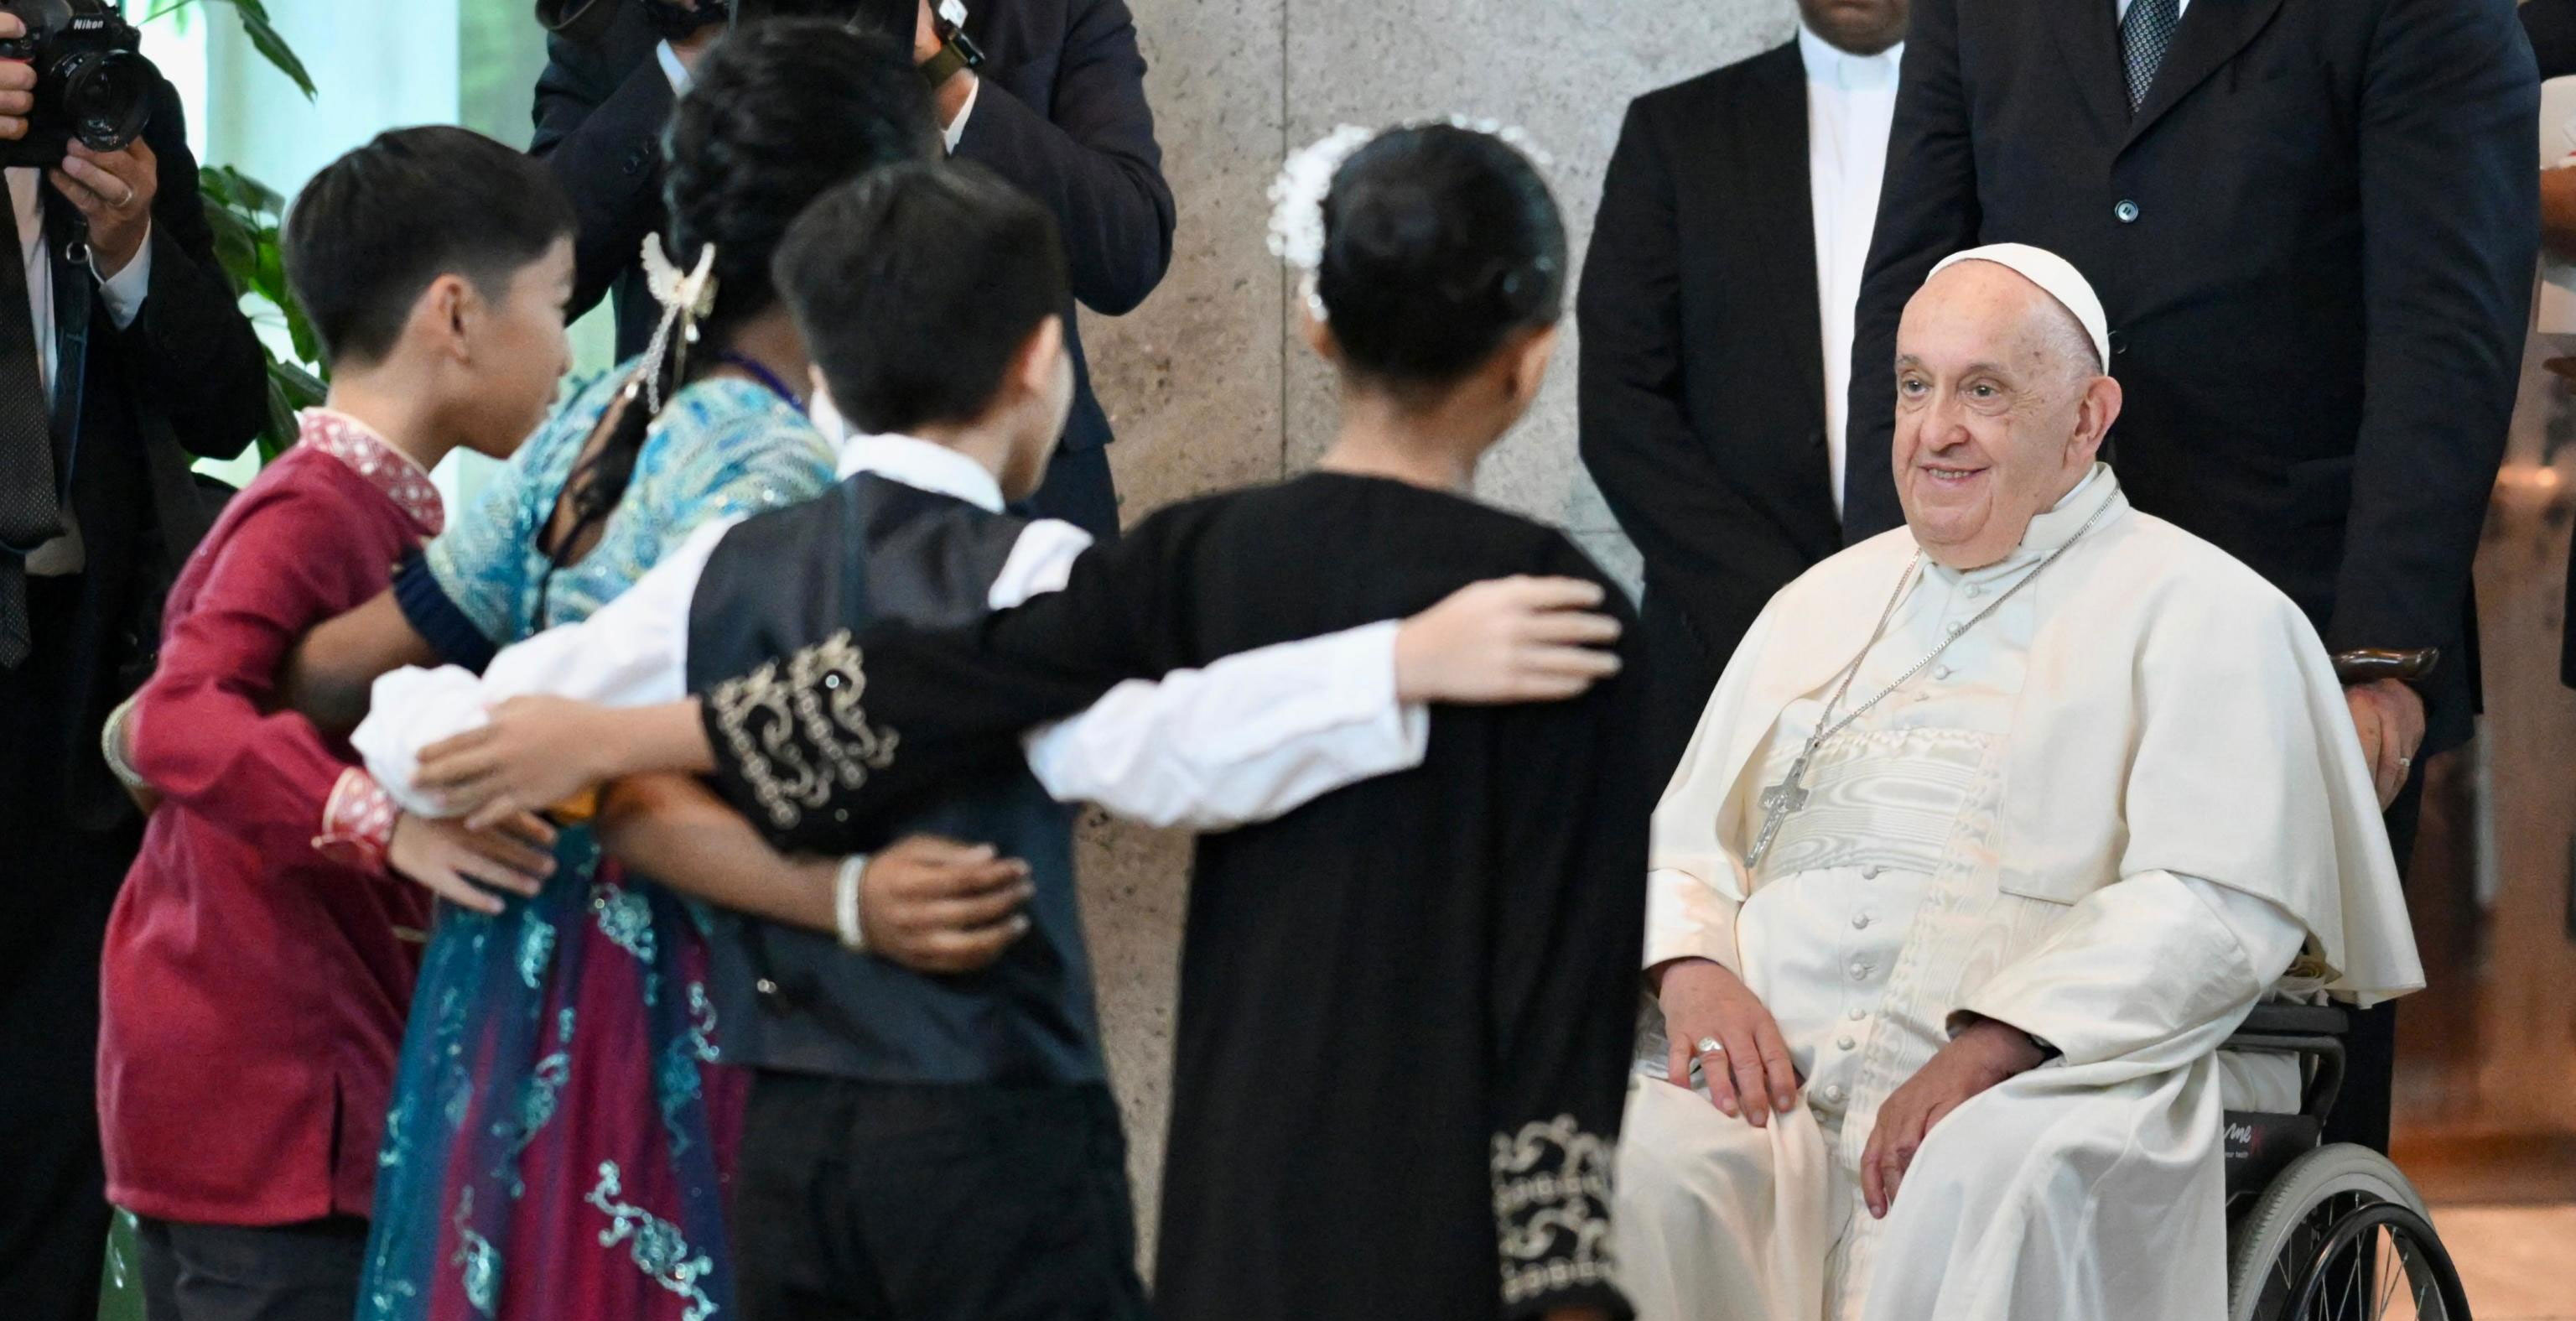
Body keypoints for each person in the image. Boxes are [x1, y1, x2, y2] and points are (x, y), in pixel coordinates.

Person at [404, 122, 1651, 1321]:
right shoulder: (1559, 603)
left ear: (1317, 324)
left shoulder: (1190, 557)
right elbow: (1555, 974)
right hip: (1196, 1174)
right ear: (1535, 352)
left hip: (1105, 1171)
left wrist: (601, 744)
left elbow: (957, 681)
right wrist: (1564, 1276)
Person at [1618, 245, 2422, 1321]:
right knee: (1630, 1162)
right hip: (1778, 1085)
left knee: (1986, 1171)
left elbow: (2220, 901)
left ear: (2088, 418)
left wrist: (1996, 1046)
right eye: (1914, 386)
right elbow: (1685, 843)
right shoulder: (1819, 601)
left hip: (2066, 1074)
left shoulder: (2212, 611)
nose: (1936, 429)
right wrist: (1692, 974)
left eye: (1984, 391)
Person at [262, 25, 927, 1321]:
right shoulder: (782, 476)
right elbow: (639, 791)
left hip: (503, 976)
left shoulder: (607, 409)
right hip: (668, 1000)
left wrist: (223, 664)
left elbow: (351, 657)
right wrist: (854, 897)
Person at [1841, 0, 2537, 1153]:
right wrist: (1885, 586)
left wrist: (2385, 656)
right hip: (2016, 600)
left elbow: (2445, 331)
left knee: (2269, 1101)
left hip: (2290, 626)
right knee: (1988, 1052)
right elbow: (1912, 289)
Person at [91, 127, 575, 1321]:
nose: (568, 355)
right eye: (559, 307)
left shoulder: (382, 519)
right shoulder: (309, 512)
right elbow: (174, 719)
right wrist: (384, 825)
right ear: (455, 316)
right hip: (271, 1116)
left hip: (306, 1104)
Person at [0, 17, 270, 1318]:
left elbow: (227, 401)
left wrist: (127, 247)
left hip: (73, 673)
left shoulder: (113, 101)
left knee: (57, 1096)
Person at [533, 0, 1171, 537]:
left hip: (1000, 485)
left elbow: (1128, 251)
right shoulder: (631, 16)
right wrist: (691, 54)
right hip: (711, 489)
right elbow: (533, 269)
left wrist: (942, 65)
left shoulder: (1043, 11)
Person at [1579, 0, 1907, 788]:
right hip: (1719, 647)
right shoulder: (1680, 132)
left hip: (1964, 642)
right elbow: (1623, 407)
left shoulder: (2005, 129)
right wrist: (1788, 611)